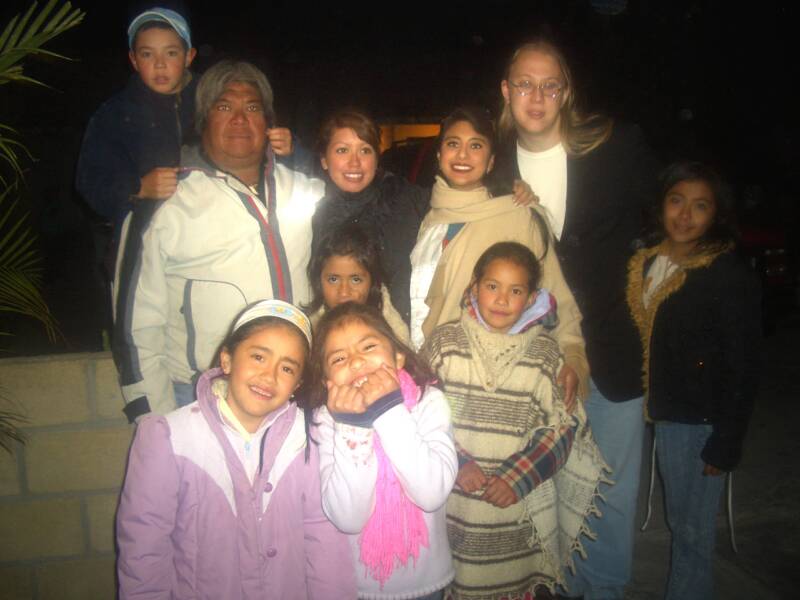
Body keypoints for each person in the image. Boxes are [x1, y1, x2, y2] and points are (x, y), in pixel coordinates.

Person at [490, 38, 661, 599]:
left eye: (550, 85)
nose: (536, 96)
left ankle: (603, 589)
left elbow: (670, 218)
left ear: (566, 94)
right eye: (524, 84)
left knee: (609, 485)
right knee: (539, 484)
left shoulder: (617, 147)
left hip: (612, 346)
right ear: (506, 91)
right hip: (528, 359)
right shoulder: (489, 162)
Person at [113, 60, 324, 422]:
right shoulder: (166, 201)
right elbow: (137, 324)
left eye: (252, 108)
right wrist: (152, 417)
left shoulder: (306, 189)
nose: (240, 119)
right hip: (201, 396)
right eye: (224, 106)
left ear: (269, 123)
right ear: (203, 119)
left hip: (293, 393)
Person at [116, 299, 357, 599]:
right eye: (258, 357)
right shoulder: (170, 438)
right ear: (227, 360)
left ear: (298, 383)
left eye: (286, 368)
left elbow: (327, 549)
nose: (269, 376)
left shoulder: (310, 439)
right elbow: (144, 550)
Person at [421, 242, 608, 600]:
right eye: (492, 286)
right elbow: (422, 412)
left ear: (532, 297)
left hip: (516, 514)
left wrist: (517, 478)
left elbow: (562, 428)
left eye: (516, 290)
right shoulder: (445, 344)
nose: (502, 299)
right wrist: (458, 461)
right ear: (474, 287)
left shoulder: (544, 354)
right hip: (456, 504)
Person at [626, 162, 760, 600]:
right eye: (677, 201)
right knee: (676, 524)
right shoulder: (645, 261)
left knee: (690, 532)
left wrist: (726, 442)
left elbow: (744, 363)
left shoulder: (724, 272)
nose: (685, 216)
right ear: (661, 204)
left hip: (696, 421)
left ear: (715, 214)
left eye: (700, 206)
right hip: (649, 411)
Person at [76, 7, 293, 258]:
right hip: (143, 241)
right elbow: (88, 182)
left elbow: (258, 122)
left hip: (217, 229)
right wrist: (137, 188)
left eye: (171, 53)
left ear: (189, 56)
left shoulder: (215, 93)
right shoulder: (113, 115)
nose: (160, 64)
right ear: (134, 60)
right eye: (147, 54)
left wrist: (286, 144)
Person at [410, 105, 588, 407]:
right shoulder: (430, 220)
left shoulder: (517, 216)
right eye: (453, 144)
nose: (463, 155)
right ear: (439, 156)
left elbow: (554, 294)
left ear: (491, 161)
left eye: (475, 146)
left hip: (491, 384)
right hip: (431, 371)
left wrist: (573, 355)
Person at [311, 109, 534, 324]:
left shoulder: (403, 197)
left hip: (410, 334)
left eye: (365, 150)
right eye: (342, 150)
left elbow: (460, 200)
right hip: (349, 334)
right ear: (324, 159)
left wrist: (507, 186)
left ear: (376, 158)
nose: (355, 162)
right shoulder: (318, 216)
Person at [308, 302, 458, 599]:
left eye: (368, 347)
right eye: (339, 358)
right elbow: (348, 518)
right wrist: (354, 426)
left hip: (425, 580)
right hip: (355, 585)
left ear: (398, 357)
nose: (356, 362)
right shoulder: (325, 421)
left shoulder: (430, 403)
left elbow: (431, 493)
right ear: (327, 382)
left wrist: (388, 410)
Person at [305, 223, 410, 342]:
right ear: (319, 281)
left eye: (356, 280)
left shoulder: (394, 330)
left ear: (372, 281)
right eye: (333, 279)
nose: (344, 292)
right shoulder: (308, 335)